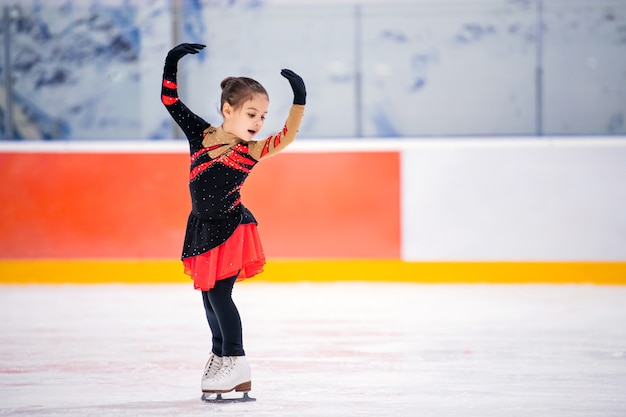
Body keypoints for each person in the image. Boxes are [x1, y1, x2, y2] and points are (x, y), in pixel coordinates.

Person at [160, 43, 306, 397]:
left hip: (230, 227)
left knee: (221, 295)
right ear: (228, 109)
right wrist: (172, 61)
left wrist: (299, 99)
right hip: (202, 227)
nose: (258, 122)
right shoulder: (203, 135)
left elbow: (286, 137)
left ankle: (237, 361)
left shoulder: (251, 150)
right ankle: (220, 354)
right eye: (251, 114)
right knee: (208, 296)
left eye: (263, 116)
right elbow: (171, 102)